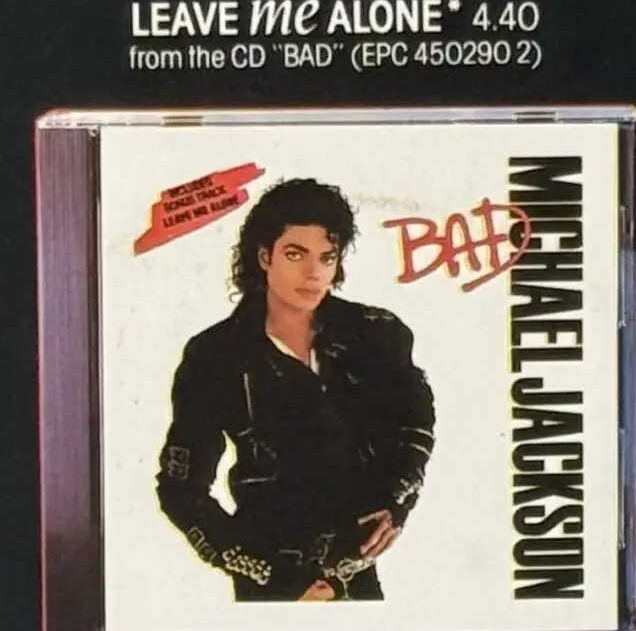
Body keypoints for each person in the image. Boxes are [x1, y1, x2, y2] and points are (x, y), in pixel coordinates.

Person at [155, 177, 436, 601]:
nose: (313, 273)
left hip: (355, 570)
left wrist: (396, 504)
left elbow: (414, 423)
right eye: (295, 254)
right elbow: (180, 487)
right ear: (264, 256)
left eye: (327, 257)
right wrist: (266, 572)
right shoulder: (214, 354)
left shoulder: (375, 333)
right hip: (268, 574)